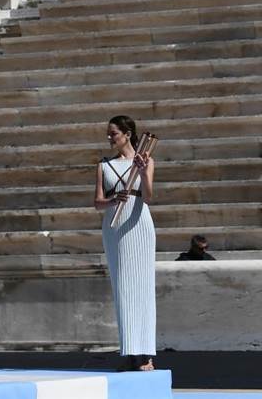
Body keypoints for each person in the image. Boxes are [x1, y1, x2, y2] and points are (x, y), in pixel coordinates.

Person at [94, 115, 156, 372]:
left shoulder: (146, 160)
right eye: (108, 134)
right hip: (115, 226)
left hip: (139, 223)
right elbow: (98, 201)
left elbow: (149, 196)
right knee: (122, 289)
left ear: (127, 134)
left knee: (143, 288)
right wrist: (112, 201)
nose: (110, 138)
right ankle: (129, 351)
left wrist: (142, 171)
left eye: (114, 134)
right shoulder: (104, 165)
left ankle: (146, 354)